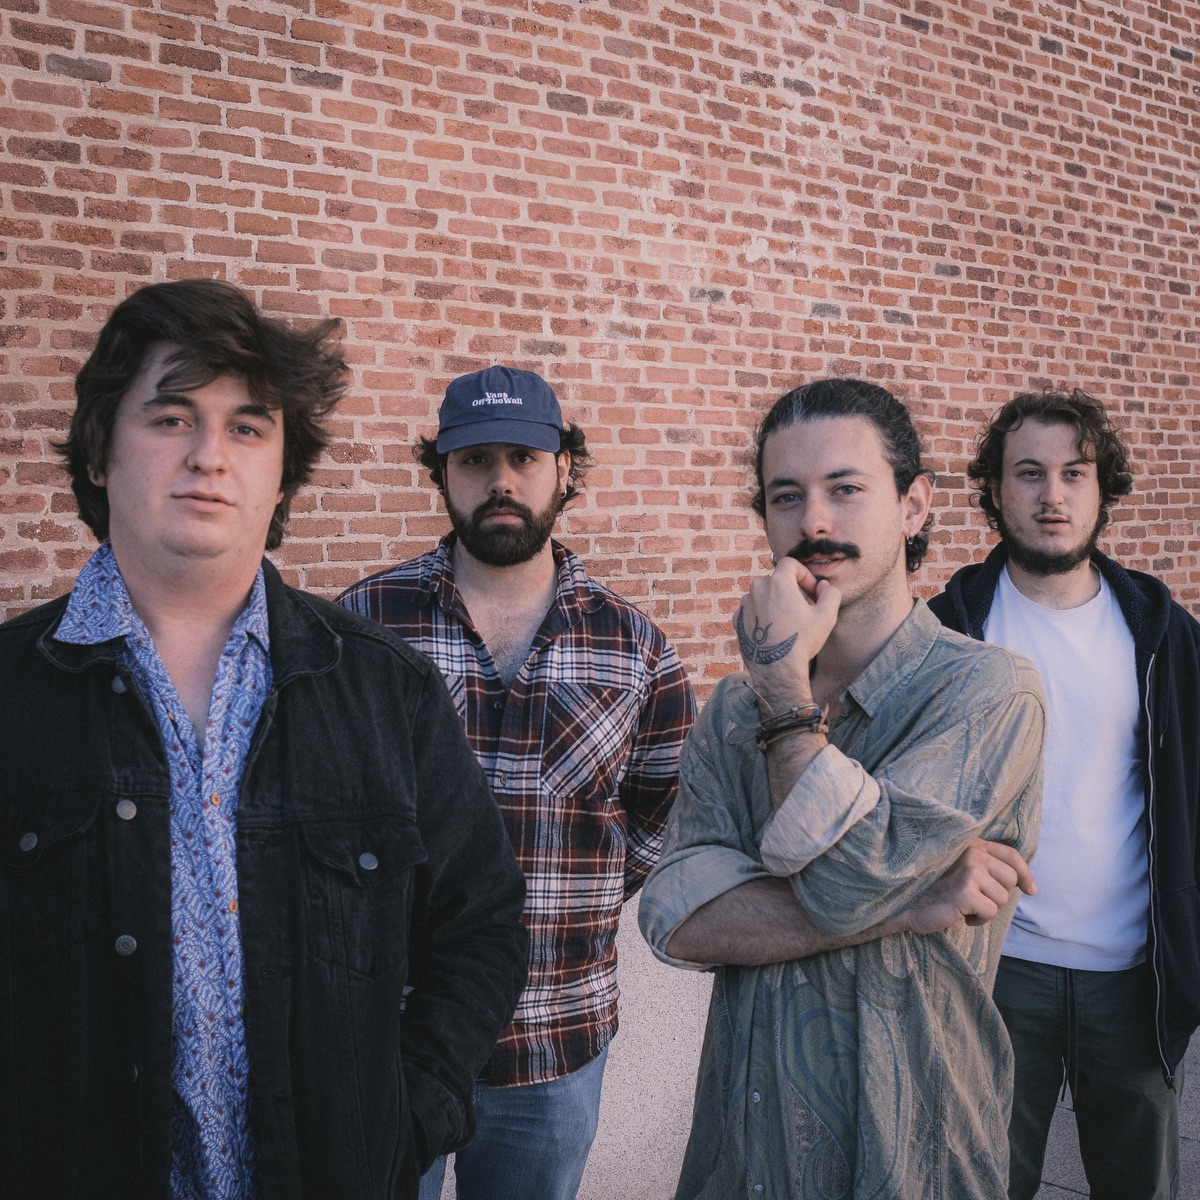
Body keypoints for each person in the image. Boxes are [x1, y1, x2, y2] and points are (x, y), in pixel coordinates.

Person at [0, 280, 529, 1200]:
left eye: (247, 428)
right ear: (99, 453)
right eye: (171, 417)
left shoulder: (385, 690)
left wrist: (404, 1121)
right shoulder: (12, 694)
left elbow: (480, 925)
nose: (210, 455)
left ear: (283, 474)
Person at [639, 378, 1047, 1199]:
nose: (814, 523)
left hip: (913, 1152)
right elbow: (676, 918)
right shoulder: (733, 709)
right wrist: (909, 903)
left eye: (846, 489)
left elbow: (844, 879)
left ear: (914, 505)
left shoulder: (988, 692)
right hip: (745, 1157)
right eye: (786, 496)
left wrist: (786, 697)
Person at [338, 365, 696, 1200]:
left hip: (554, 1037)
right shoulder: (364, 627)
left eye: (524, 459)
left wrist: (575, 890)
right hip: (390, 1033)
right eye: (475, 461)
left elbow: (662, 811)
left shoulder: (634, 647)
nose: (500, 481)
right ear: (441, 474)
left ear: (564, 469)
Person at [929, 388, 1200, 1200]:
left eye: (1074, 473)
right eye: (1029, 473)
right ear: (995, 489)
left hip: (1136, 978)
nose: (1053, 495)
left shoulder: (1164, 634)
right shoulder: (948, 631)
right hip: (996, 972)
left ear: (1102, 487)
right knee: (980, 1184)